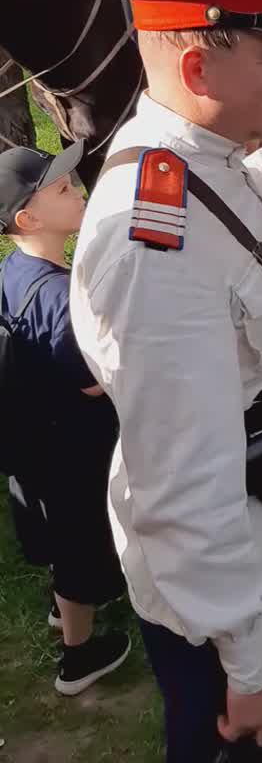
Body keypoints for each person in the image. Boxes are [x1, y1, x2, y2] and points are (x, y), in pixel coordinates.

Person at [69, 0, 262, 763]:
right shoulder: (150, 242)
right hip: (236, 595)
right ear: (198, 70)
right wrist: (253, 663)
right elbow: (183, 483)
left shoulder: (197, 162)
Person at [0, 143, 128, 695]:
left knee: (57, 534)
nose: (78, 192)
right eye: (61, 189)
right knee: (80, 544)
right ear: (28, 219)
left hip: (35, 440)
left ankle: (63, 603)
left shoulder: (14, 270)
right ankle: (78, 657)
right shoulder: (59, 298)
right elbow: (94, 383)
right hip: (74, 449)